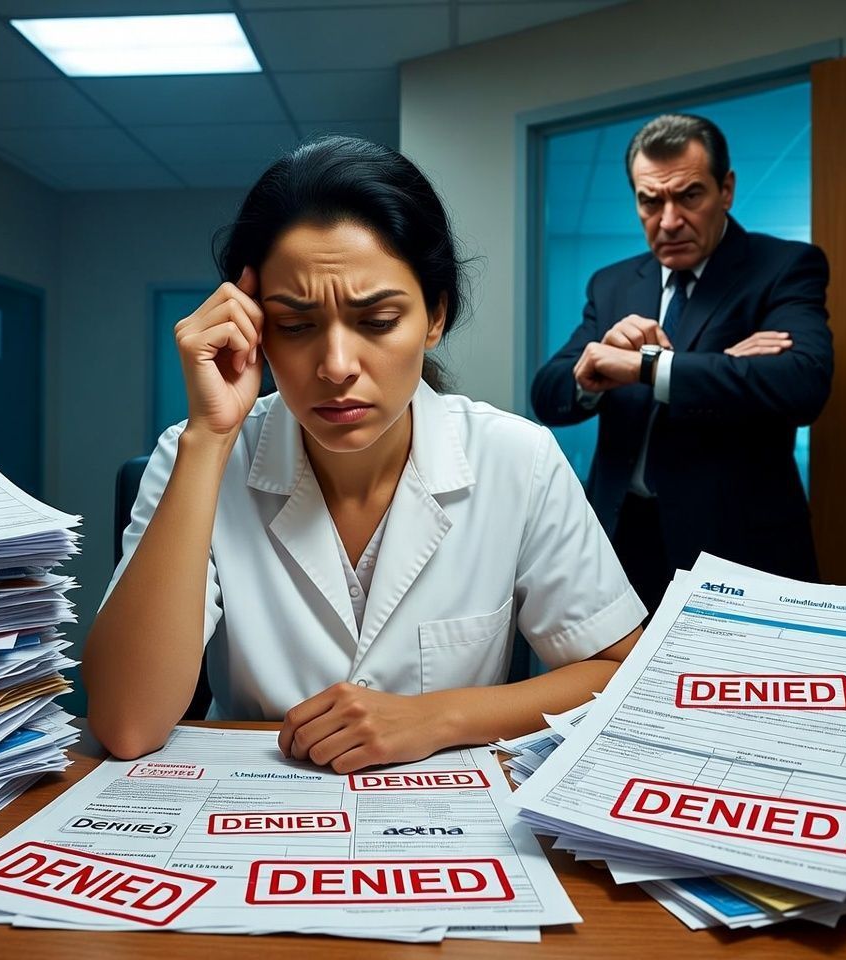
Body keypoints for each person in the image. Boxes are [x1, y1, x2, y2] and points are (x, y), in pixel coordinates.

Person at [83, 136, 646, 770]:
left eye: (377, 321)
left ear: (435, 316)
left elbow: (617, 671)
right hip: (247, 817)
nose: (337, 367)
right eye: (295, 326)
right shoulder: (198, 454)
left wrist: (440, 716)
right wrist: (209, 438)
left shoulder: (516, 457)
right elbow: (126, 725)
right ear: (252, 325)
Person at [531, 114, 832, 616]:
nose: (668, 220)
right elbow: (548, 395)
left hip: (736, 550)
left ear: (726, 189)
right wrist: (589, 372)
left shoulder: (783, 266)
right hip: (619, 540)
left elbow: (802, 383)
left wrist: (646, 366)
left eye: (689, 196)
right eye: (651, 201)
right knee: (614, 691)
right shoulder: (613, 283)